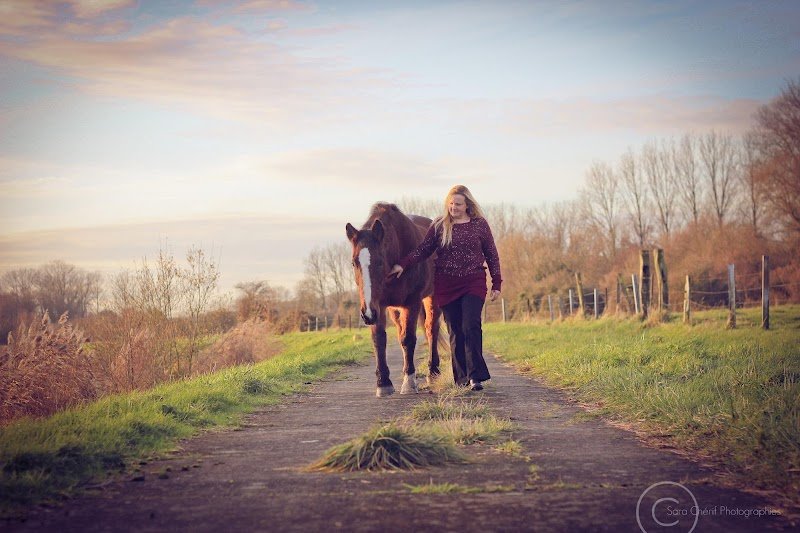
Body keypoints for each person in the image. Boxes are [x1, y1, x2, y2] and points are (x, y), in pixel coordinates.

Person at [387, 185, 502, 391]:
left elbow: (491, 253)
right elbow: (424, 250)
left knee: (470, 326)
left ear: (467, 205)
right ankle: (461, 378)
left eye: (458, 204)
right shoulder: (440, 225)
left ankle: (476, 376)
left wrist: (496, 282)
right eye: (450, 204)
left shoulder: (479, 225)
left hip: (473, 281)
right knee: (455, 330)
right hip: (447, 284)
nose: (453, 207)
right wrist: (402, 264)